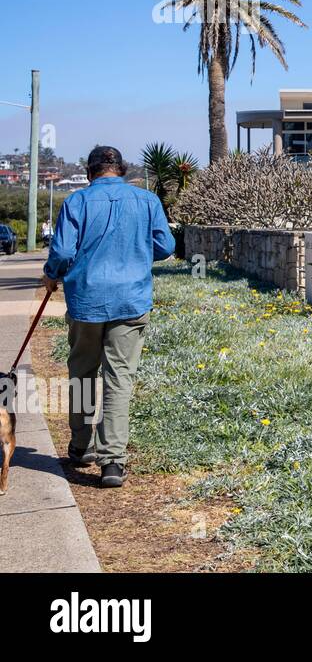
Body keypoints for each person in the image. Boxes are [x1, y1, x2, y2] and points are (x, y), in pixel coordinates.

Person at [40, 145, 174, 488]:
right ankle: (112, 461)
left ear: (90, 172)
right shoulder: (147, 202)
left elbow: (64, 251)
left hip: (86, 300)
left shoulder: (77, 202)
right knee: (119, 378)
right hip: (130, 301)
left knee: (83, 373)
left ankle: (81, 447)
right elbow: (166, 246)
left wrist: (51, 273)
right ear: (123, 170)